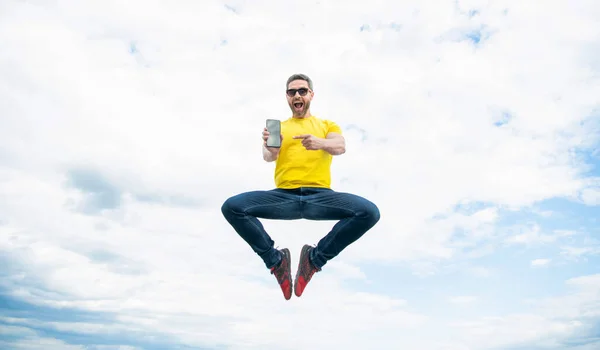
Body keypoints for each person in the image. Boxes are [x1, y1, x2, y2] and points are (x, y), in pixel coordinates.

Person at [221, 73, 380, 300]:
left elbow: (340, 146)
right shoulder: (280, 127)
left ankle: (313, 259)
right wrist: (271, 147)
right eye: (291, 92)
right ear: (287, 97)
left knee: (369, 212)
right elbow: (268, 156)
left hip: (320, 197)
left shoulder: (326, 125)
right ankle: (276, 262)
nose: (297, 95)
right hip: (284, 197)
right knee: (232, 207)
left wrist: (320, 143)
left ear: (311, 95)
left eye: (302, 91)